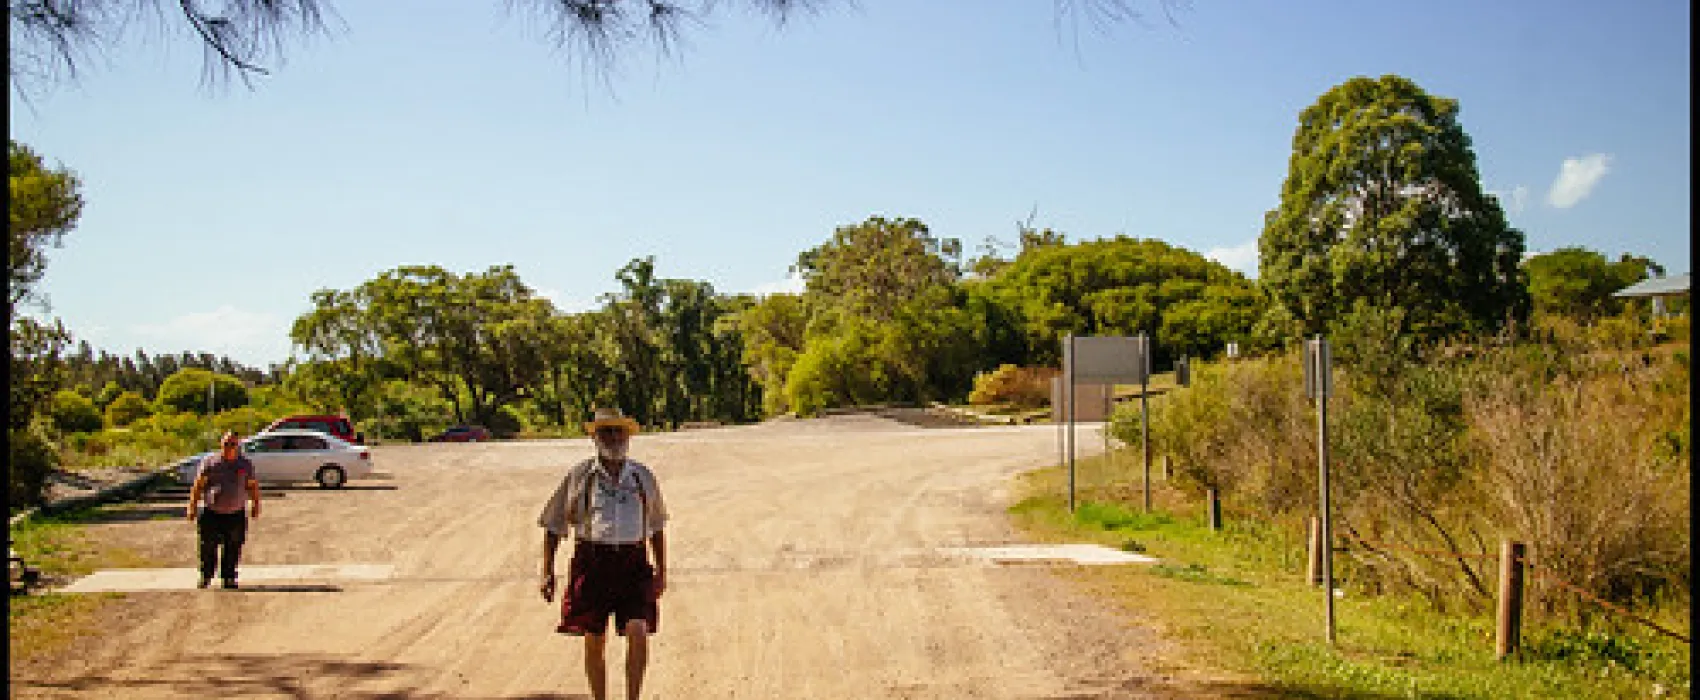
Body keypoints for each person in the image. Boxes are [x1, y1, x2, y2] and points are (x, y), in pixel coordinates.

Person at [539, 407, 669, 700]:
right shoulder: (580, 476)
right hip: (592, 562)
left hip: (633, 563)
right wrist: (547, 571)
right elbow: (553, 523)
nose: (612, 437)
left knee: (638, 630)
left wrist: (661, 571)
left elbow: (657, 525)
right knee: (595, 638)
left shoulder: (642, 477)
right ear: (594, 438)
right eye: (605, 432)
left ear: (628, 436)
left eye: (617, 431)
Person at [186, 431, 261, 589]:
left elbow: (252, 486)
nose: (229, 447)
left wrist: (255, 504)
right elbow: (198, 485)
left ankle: (228, 577)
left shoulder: (245, 465)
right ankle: (206, 575)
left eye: (233, 444)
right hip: (211, 512)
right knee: (208, 546)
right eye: (226, 444)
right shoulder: (211, 462)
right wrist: (192, 506)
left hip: (236, 513)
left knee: (233, 546)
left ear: (238, 446)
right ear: (221, 445)